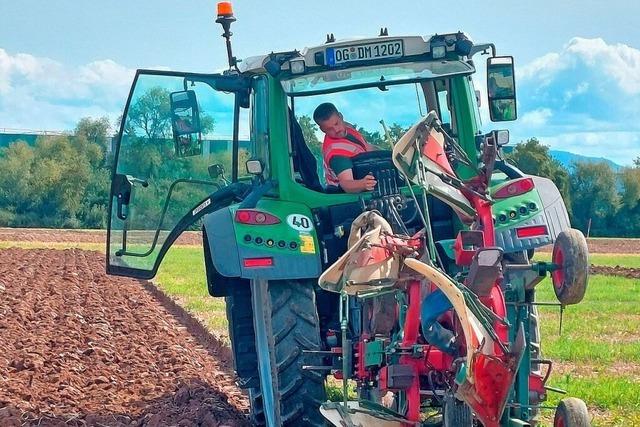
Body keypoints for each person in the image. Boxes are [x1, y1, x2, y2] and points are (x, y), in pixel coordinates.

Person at [313, 102, 377, 193]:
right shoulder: (336, 153)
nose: (337, 130)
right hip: (346, 199)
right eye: (329, 129)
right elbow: (346, 184)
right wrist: (363, 184)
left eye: (336, 123)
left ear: (341, 116)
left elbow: (367, 147)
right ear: (322, 130)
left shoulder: (348, 128)